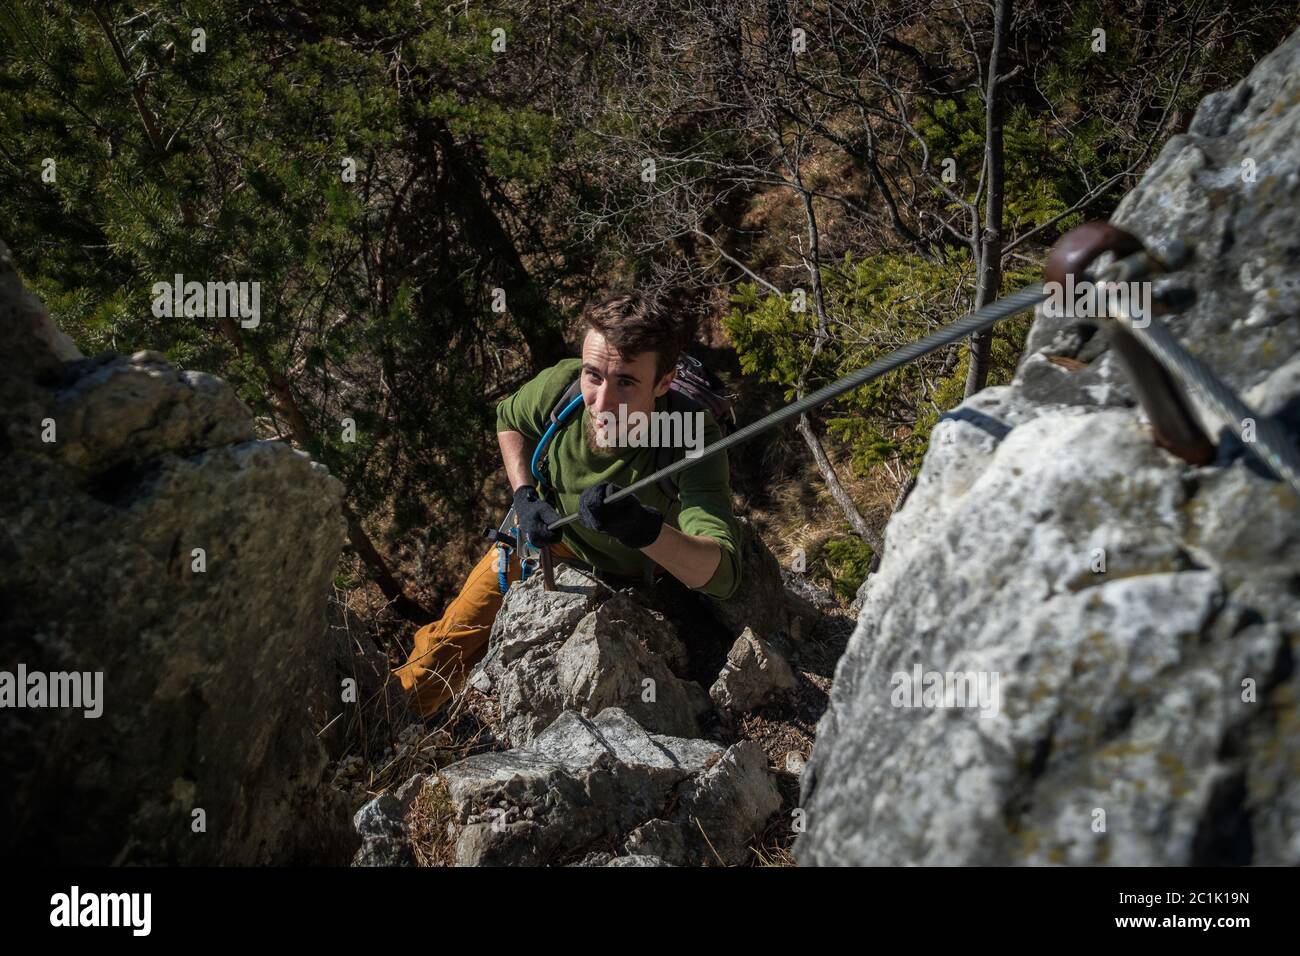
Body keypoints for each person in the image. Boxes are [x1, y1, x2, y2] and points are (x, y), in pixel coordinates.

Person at [396, 292, 743, 716]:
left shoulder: (689, 433)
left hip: (639, 574)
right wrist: (524, 495)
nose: (601, 403)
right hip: (549, 543)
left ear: (663, 382)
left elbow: (721, 574)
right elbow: (509, 419)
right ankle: (388, 732)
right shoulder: (562, 386)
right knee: (444, 646)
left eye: (627, 383)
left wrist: (644, 529)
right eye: (593, 375)